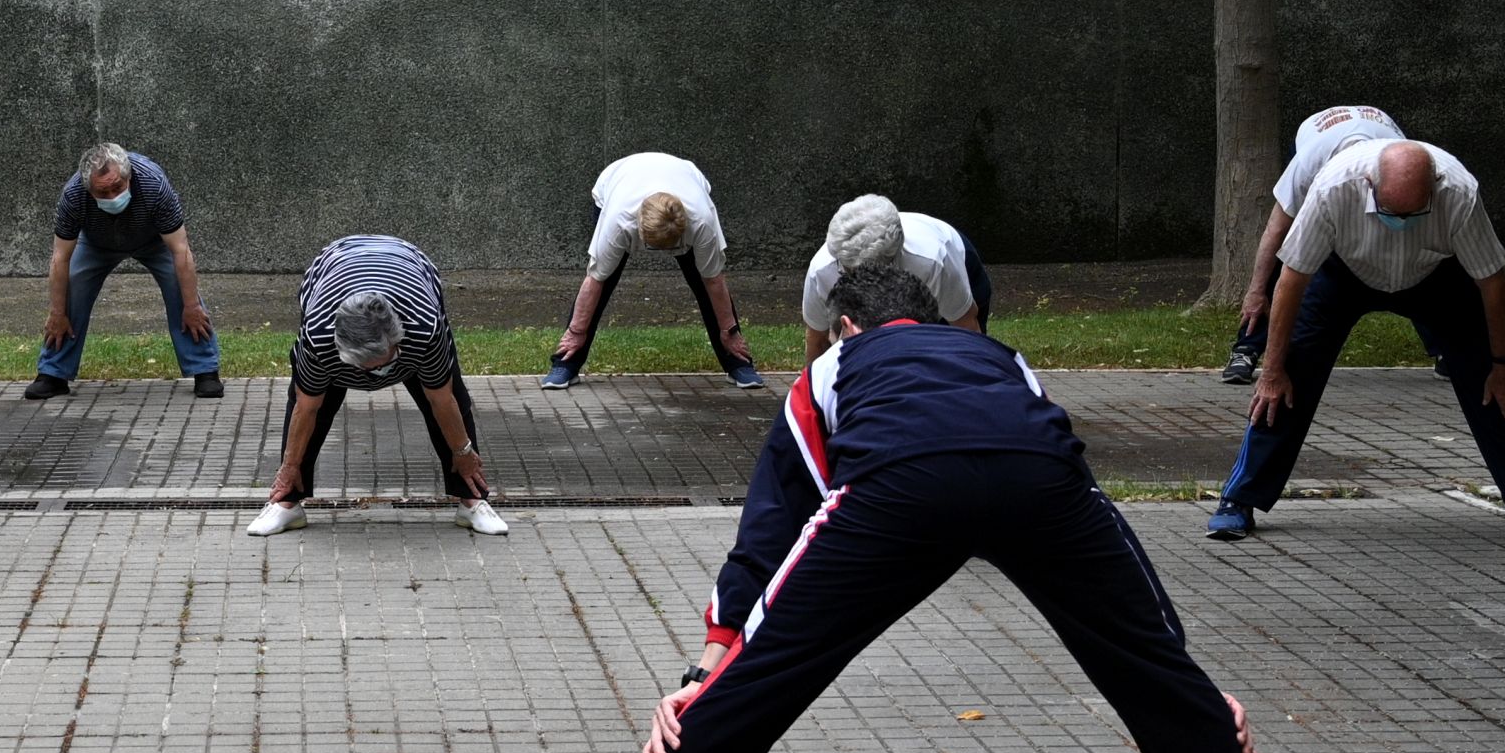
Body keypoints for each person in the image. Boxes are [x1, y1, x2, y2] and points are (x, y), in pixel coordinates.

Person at [564, 262, 1300, 753]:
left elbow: (772, 526)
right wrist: (1181, 673)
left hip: (900, 490)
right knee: (1141, 670)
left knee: (770, 679)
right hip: (1039, 486)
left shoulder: (831, 369)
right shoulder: (1001, 357)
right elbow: (1103, 538)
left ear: (847, 325)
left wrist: (712, 668)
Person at [1211, 138, 1505, 550]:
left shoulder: (1459, 191)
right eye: (1390, 211)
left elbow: (1491, 283)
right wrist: (1273, 369)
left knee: (1495, 386)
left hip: (1435, 275)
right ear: (1370, 183)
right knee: (1285, 383)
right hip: (1344, 272)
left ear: (1434, 187)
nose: (1400, 221)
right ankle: (1239, 500)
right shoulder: (1334, 188)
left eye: (1414, 212)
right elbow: (1292, 280)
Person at [249, 234, 508, 537]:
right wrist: (289, 466)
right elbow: (307, 407)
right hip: (334, 265)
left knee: (451, 399)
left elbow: (442, 399)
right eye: (365, 369)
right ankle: (286, 504)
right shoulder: (318, 337)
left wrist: (463, 454)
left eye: (385, 363)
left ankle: (472, 501)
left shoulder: (424, 327)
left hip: (410, 266)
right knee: (308, 404)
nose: (377, 376)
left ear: (397, 338)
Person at [543, 151, 761, 390]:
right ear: (639, 229)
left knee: (702, 281)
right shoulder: (618, 221)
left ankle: (738, 364)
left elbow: (714, 281)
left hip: (685, 179)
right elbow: (595, 280)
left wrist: (729, 331)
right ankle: (566, 364)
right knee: (604, 278)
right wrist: (576, 331)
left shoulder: (701, 222)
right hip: (617, 182)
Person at [24, 142, 222, 401]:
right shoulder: (73, 195)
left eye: (117, 187)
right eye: (102, 192)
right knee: (73, 287)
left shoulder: (153, 184)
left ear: (129, 177)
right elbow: (60, 259)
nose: (111, 197)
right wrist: (57, 313)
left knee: (182, 290)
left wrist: (192, 307)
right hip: (96, 242)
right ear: (88, 188)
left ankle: (205, 369)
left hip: (153, 238)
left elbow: (181, 252)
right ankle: (53, 373)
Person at [1222, 104, 1403, 383]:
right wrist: (1256, 292)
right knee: (1289, 250)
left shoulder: (1400, 162)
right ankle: (1246, 349)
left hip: (1377, 142)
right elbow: (1275, 232)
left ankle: (1445, 350)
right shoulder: (1307, 166)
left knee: (1416, 255)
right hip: (1320, 135)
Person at [799, 194, 989, 364]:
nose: (862, 282)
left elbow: (966, 329)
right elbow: (818, 341)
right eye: (849, 272)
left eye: (869, 274)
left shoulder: (932, 262)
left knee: (937, 357)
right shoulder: (823, 270)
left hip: (956, 264)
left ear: (893, 259)